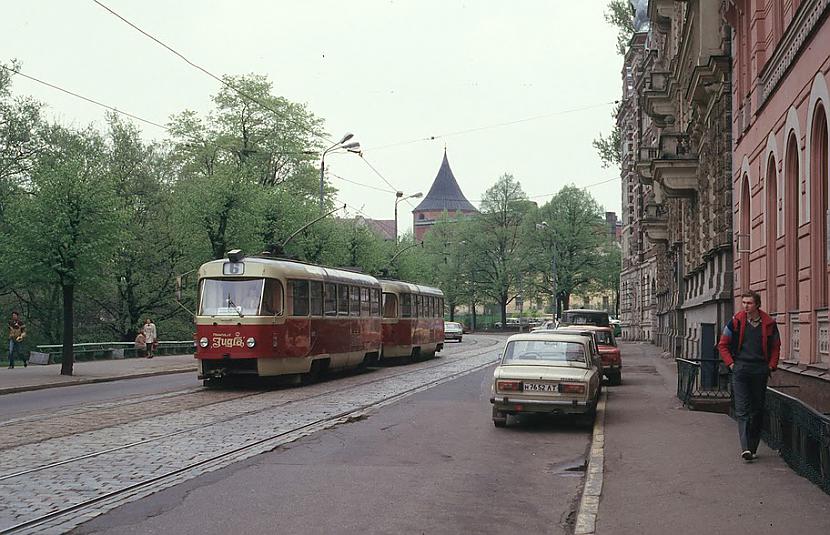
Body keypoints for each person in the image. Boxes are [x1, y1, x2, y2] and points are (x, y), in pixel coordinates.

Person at [717, 290, 780, 462]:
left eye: (749, 303)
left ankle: (752, 447)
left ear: (757, 305)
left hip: (760, 371)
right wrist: (731, 364)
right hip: (741, 370)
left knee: (757, 410)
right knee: (742, 409)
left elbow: (775, 346)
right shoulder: (735, 321)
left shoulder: (769, 323)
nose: (745, 306)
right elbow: (722, 345)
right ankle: (745, 448)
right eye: (743, 302)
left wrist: (771, 366)